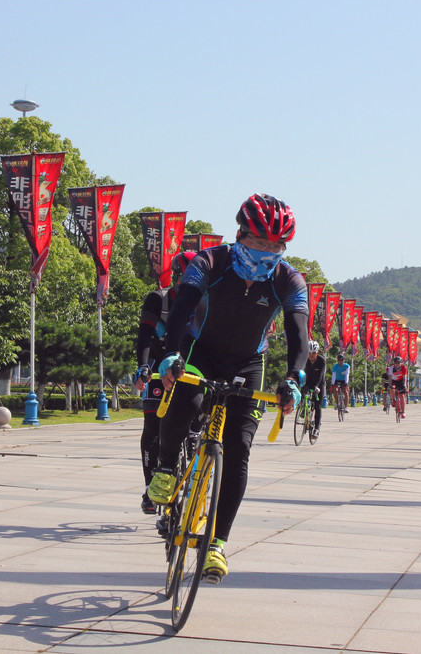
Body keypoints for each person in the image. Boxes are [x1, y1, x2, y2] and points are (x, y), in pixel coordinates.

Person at [147, 193, 309, 585]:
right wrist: (170, 355)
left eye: (275, 246)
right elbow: (182, 309)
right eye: (257, 243)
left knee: (238, 448)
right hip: (199, 350)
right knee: (186, 400)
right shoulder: (210, 261)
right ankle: (167, 466)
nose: (266, 252)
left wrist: (294, 377)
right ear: (240, 234)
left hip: (248, 362)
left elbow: (298, 333)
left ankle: (217, 544)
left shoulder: (289, 279)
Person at [134, 251, 196, 514]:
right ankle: (150, 489)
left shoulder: (204, 302)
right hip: (160, 367)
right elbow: (145, 336)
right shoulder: (157, 299)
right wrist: (143, 367)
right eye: (186, 280)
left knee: (195, 424)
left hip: (191, 366)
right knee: (152, 426)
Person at [303, 340, 326, 439]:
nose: (311, 355)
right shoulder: (304, 360)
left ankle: (316, 428)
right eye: (309, 353)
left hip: (319, 384)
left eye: (313, 353)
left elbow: (321, 375)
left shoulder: (321, 361)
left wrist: (317, 386)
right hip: (308, 382)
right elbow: (301, 373)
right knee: (302, 394)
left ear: (317, 353)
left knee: (317, 405)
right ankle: (303, 409)